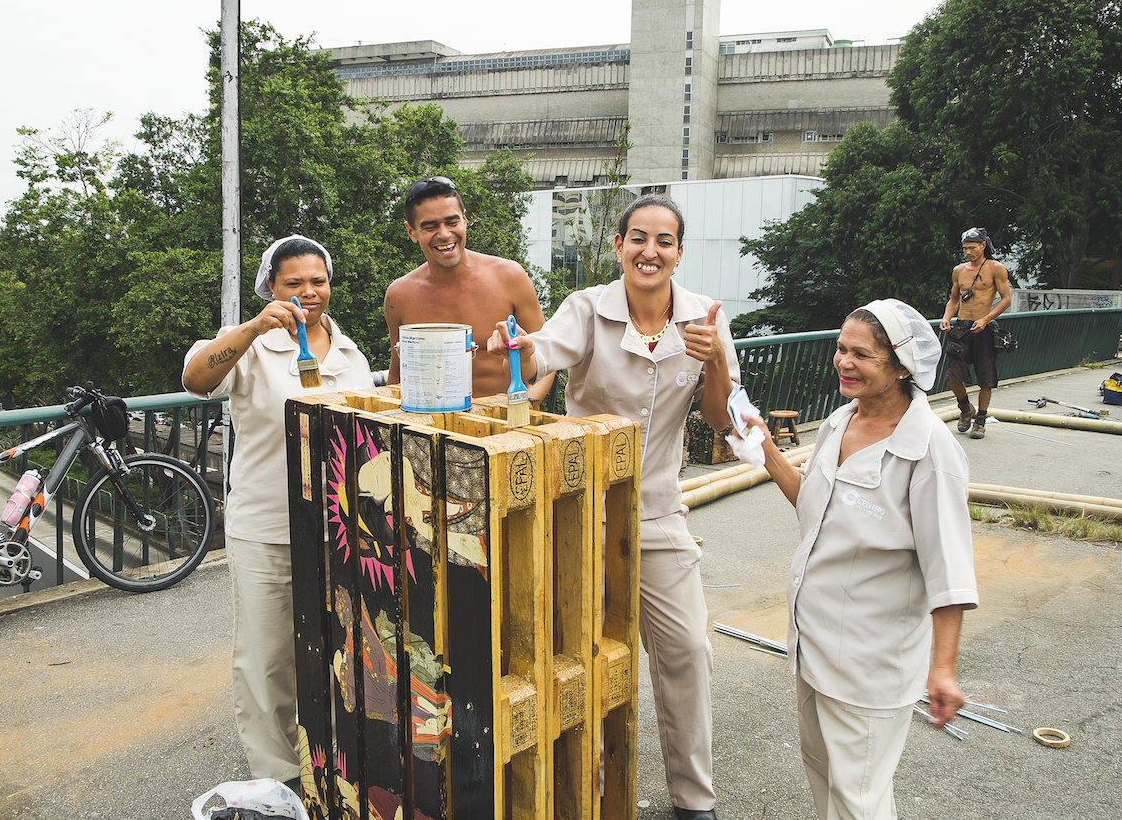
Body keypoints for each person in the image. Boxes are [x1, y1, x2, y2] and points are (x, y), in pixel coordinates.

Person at [489, 194, 739, 820]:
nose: (649, 251)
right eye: (638, 238)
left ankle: (694, 801)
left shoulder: (706, 319)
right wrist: (517, 345)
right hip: (579, 514)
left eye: (663, 241)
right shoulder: (587, 309)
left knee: (686, 650)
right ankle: (588, 791)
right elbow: (542, 352)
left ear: (679, 252)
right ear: (620, 245)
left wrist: (714, 363)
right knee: (578, 655)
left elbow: (717, 417)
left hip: (656, 510)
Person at [744, 298, 979, 820]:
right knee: (824, 773)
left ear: (900, 364)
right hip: (813, 645)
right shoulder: (838, 422)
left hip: (870, 662)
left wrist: (943, 668)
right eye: (840, 349)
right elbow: (812, 504)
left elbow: (950, 569)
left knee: (859, 798)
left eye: (862, 354)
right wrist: (765, 447)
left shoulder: (930, 450)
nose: (844, 362)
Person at [182, 235, 375, 787]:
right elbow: (196, 380)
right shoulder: (247, 348)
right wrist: (251, 329)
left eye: (318, 281)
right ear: (271, 286)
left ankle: (334, 764)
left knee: (341, 651)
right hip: (266, 527)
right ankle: (277, 776)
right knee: (268, 659)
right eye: (294, 283)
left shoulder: (349, 353)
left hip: (338, 531)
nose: (308, 292)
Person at [384, 175, 555, 401]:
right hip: (433, 427)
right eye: (430, 226)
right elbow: (398, 375)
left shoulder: (509, 277)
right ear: (411, 232)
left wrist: (528, 402)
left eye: (452, 222)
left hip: (507, 425)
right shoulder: (399, 296)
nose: (444, 234)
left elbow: (547, 357)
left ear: (464, 220)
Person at [939, 226, 1012, 439]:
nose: (968, 252)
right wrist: (946, 318)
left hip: (983, 327)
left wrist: (986, 319)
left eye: (972, 248)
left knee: (985, 376)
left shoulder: (996, 268)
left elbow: (1006, 299)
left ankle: (980, 420)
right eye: (965, 249)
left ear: (983, 246)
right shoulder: (959, 270)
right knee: (953, 375)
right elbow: (953, 299)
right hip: (961, 328)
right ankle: (965, 409)